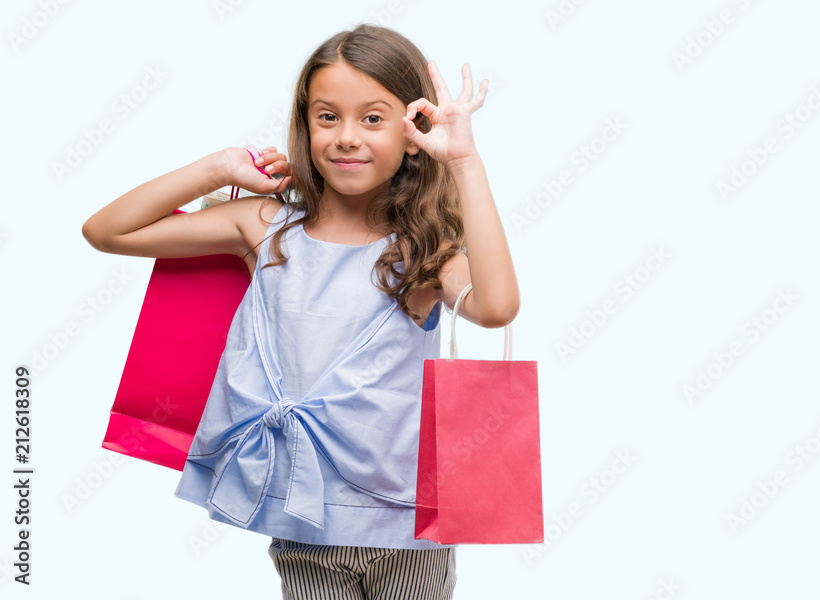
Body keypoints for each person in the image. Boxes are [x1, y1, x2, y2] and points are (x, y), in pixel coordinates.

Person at [81, 23, 519, 600]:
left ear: (413, 133)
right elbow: (107, 231)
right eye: (327, 116)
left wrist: (464, 161)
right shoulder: (265, 226)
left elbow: (497, 307)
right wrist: (220, 167)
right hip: (301, 523)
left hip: (407, 532)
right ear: (305, 125)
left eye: (373, 118)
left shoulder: (421, 250)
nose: (346, 137)